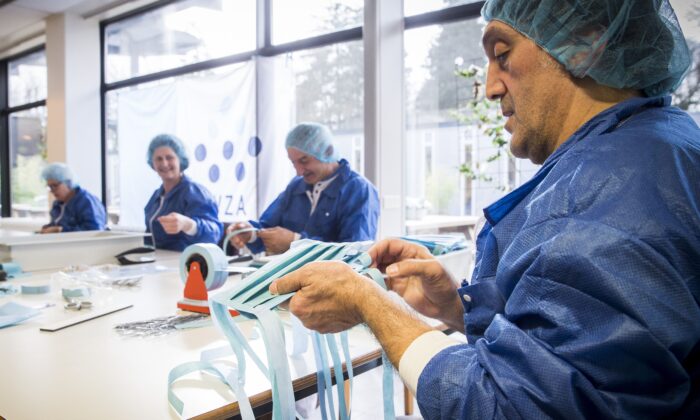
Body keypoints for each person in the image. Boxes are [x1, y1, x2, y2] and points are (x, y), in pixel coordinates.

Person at [268, 0, 700, 418]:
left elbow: (515, 406)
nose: (491, 86)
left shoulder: (610, 192)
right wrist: (456, 307)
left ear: (587, 42)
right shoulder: (658, 147)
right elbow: (568, 346)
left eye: (502, 54)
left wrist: (370, 304)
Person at [227, 123, 379, 255]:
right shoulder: (296, 187)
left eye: (304, 161)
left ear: (327, 152)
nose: (299, 171)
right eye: (293, 163)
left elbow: (356, 252)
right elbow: (268, 227)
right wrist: (250, 233)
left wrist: (296, 242)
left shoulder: (360, 191)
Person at [144, 134, 222, 251]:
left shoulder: (195, 192)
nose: (164, 164)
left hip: (189, 264)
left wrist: (188, 225)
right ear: (152, 163)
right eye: (159, 159)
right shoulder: (156, 197)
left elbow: (214, 234)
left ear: (180, 159)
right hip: (159, 263)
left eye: (169, 157)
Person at [40, 163, 107, 233]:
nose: (52, 190)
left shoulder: (86, 202)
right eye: (50, 187)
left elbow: (95, 230)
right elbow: (58, 223)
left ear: (68, 182)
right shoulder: (57, 204)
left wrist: (61, 230)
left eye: (55, 185)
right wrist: (48, 228)